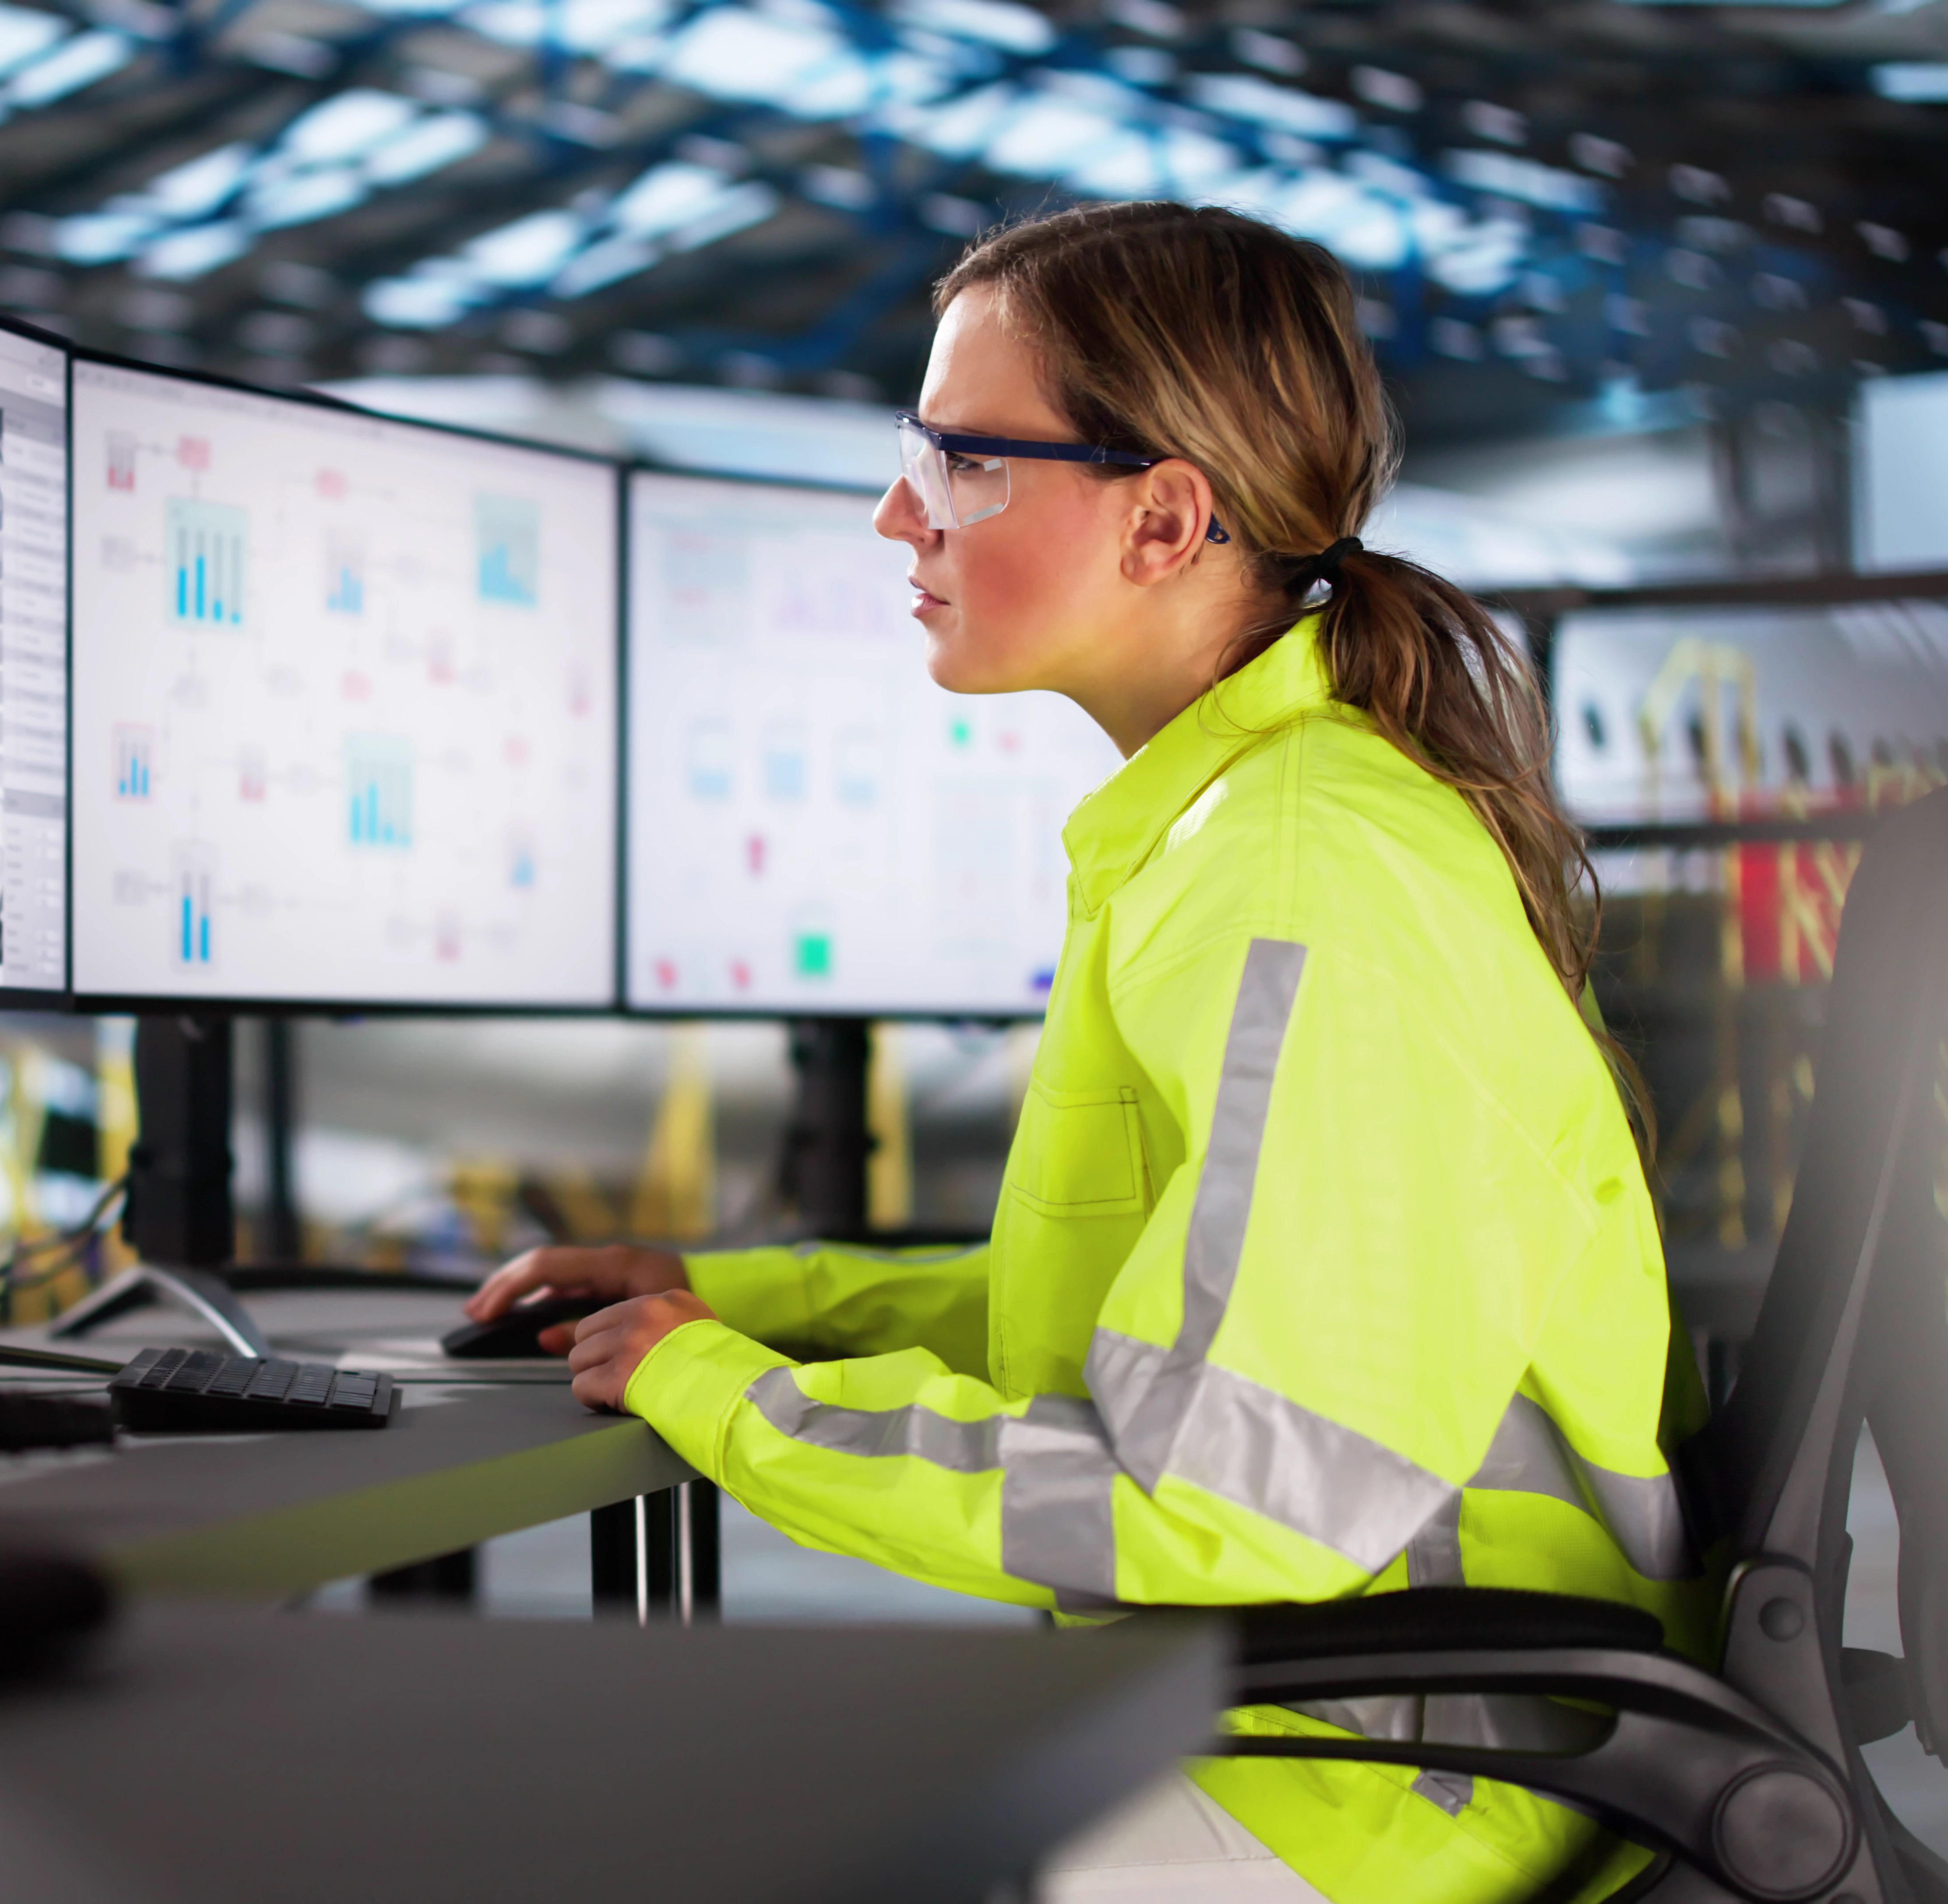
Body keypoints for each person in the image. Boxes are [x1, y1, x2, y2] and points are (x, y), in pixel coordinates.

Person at [465, 200, 1708, 1903]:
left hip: (1395, 1781)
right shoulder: (1230, 829)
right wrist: (749, 1301)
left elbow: (1235, 1491)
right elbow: (1149, 1332)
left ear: (1166, 520)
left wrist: (723, 1396)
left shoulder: (1301, 874)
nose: (899, 513)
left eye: (963, 459)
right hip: (1342, 1716)